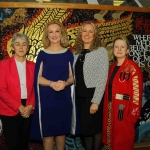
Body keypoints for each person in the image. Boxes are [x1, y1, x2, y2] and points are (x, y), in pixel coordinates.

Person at [30, 20, 76, 150]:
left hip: (63, 99)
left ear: (61, 33)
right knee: (48, 134)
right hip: (47, 100)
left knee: (61, 134)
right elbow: (37, 78)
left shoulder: (68, 53)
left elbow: (73, 77)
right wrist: (51, 83)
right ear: (47, 35)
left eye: (57, 31)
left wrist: (65, 83)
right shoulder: (42, 54)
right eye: (51, 32)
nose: (54, 34)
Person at [102, 37, 143, 150]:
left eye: (122, 46)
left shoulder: (133, 68)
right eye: (116, 46)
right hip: (110, 111)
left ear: (128, 50)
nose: (119, 49)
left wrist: (131, 118)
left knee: (122, 144)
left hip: (123, 113)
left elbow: (137, 96)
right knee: (110, 144)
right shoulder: (112, 67)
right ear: (113, 50)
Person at [73, 21, 109, 150]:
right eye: (84, 31)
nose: (87, 34)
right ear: (80, 34)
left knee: (95, 130)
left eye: (90, 31)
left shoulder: (101, 51)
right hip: (80, 98)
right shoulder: (76, 53)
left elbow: (102, 78)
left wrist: (95, 101)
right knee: (85, 132)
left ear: (95, 35)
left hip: (93, 97)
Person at [0, 33, 35, 150]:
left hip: (28, 107)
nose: (21, 47)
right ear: (12, 47)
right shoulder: (3, 65)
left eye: (24, 44)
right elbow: (1, 90)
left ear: (28, 47)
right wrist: (19, 106)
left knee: (24, 143)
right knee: (12, 144)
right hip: (9, 108)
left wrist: (30, 105)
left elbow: (36, 89)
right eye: (17, 44)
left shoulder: (34, 66)